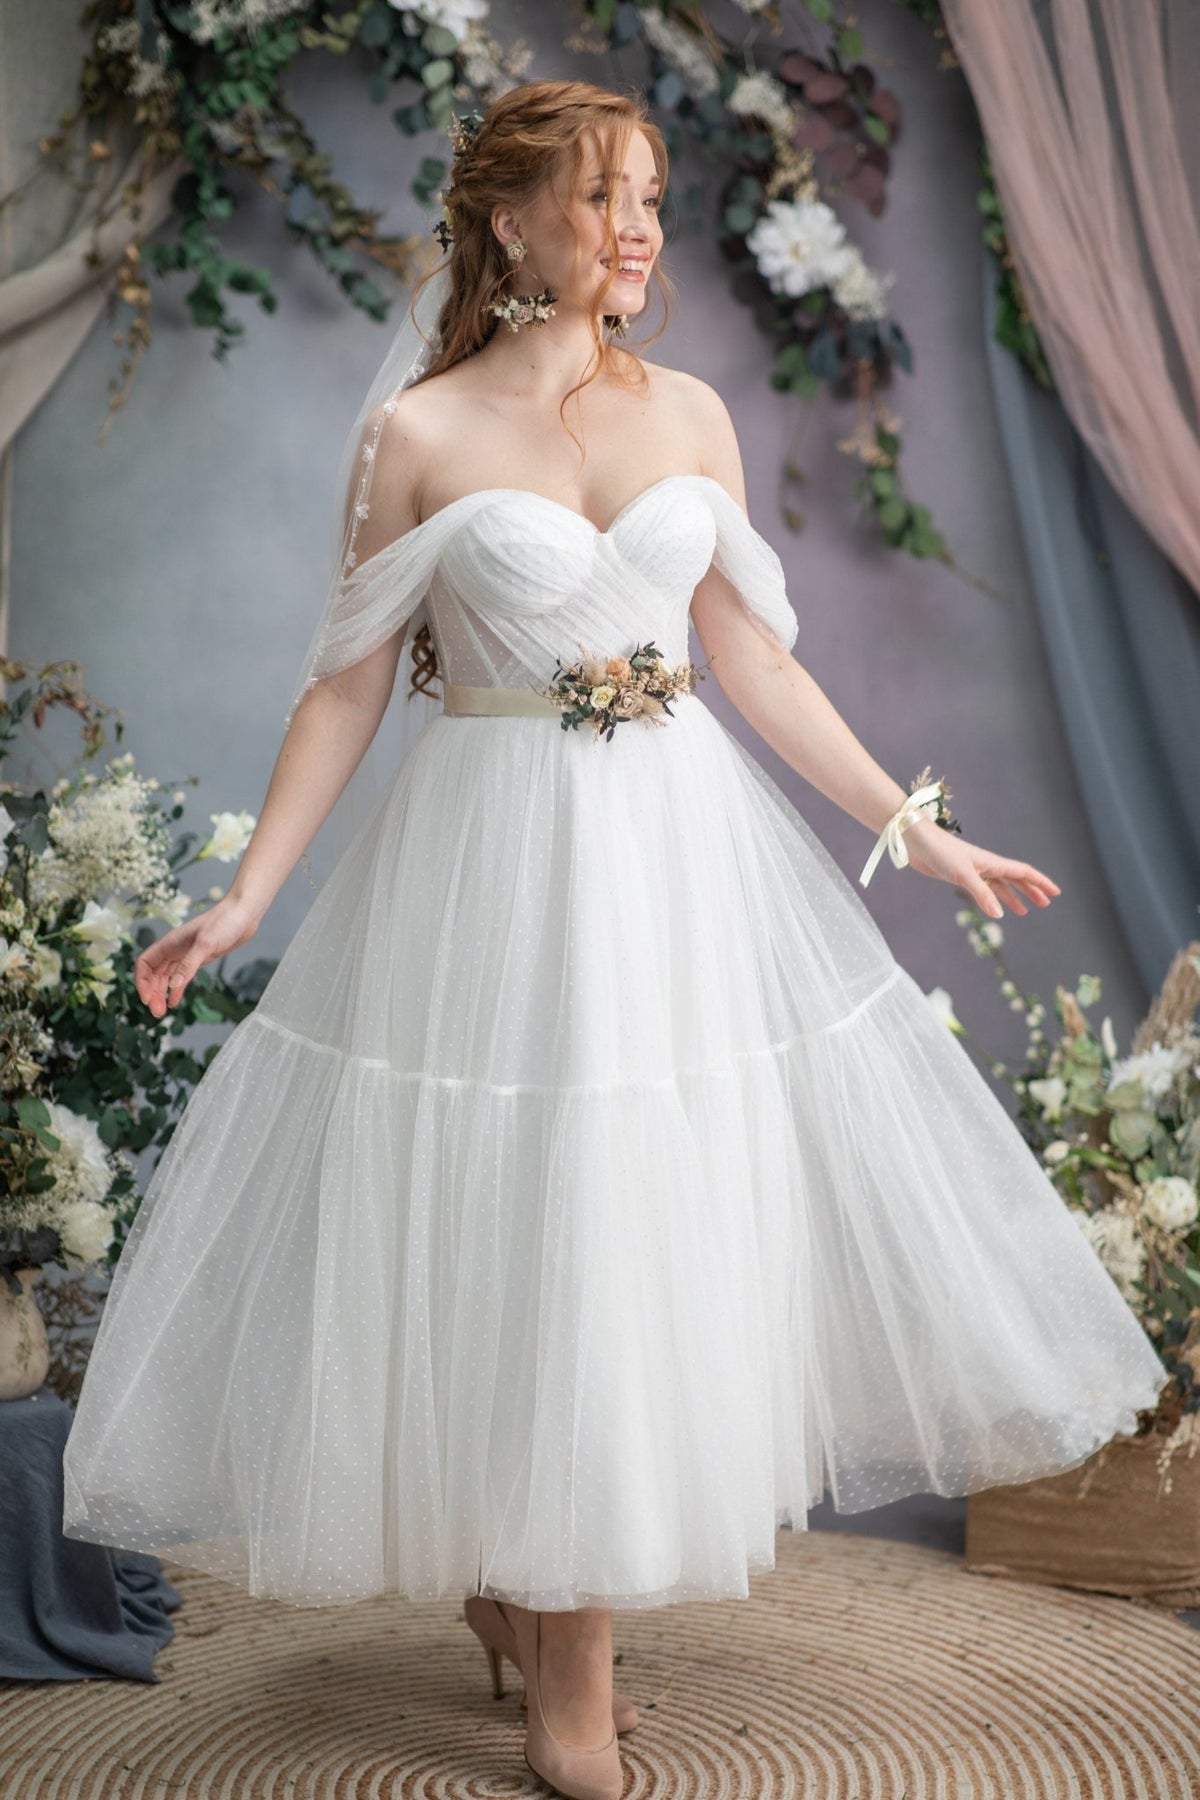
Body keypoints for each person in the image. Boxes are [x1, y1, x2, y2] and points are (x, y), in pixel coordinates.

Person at [62, 79, 1168, 1800]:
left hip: (669, 860)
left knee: (630, 1216)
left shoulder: (693, 415)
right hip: (492, 861)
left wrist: (916, 827)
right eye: (602, 197)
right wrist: (252, 894)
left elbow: (758, 664)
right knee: (524, 1212)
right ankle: (555, 1640)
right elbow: (345, 687)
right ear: (510, 222)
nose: (639, 228)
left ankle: (541, 1604)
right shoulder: (419, 433)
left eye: (651, 195)